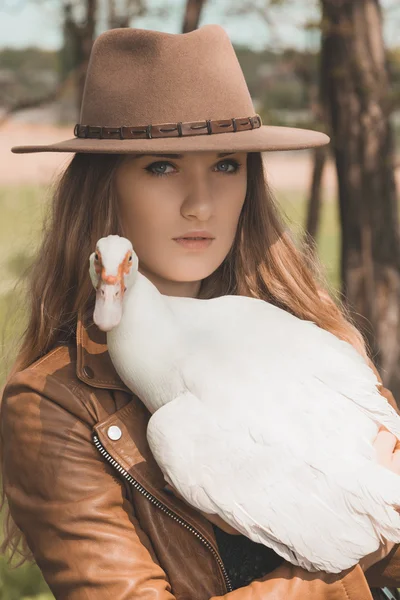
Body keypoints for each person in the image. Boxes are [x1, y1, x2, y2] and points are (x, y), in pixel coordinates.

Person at [1, 23, 399, 600]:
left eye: (227, 165)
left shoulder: (314, 339)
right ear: (102, 188)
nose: (199, 203)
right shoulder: (55, 403)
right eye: (161, 166)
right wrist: (369, 535)